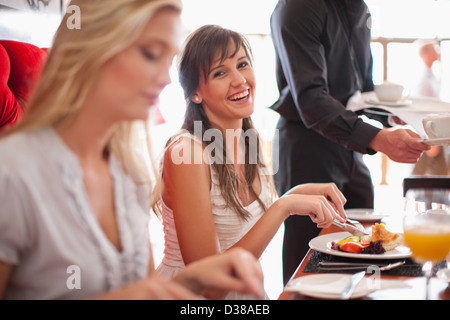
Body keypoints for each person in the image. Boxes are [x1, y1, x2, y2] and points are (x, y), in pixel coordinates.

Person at [0, 0, 265, 300]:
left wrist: (195, 278)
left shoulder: (127, 172)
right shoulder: (14, 173)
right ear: (95, 52)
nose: (165, 78)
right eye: (150, 54)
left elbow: (144, 291)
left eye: (167, 58)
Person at [153, 24, 347, 300]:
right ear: (195, 93)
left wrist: (294, 195)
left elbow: (247, 230)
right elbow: (210, 284)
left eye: (242, 64)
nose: (239, 80)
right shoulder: (186, 152)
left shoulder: (248, 141)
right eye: (220, 73)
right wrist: (284, 206)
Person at [270, 0, 430, 284]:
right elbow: (310, 99)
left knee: (366, 248)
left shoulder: (360, 8)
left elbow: (360, 90)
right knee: (308, 261)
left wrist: (389, 117)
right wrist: (378, 138)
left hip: (350, 144)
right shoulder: (298, 7)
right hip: (306, 145)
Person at [412, 40, 448, 176]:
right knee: (422, 173)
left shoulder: (431, 76)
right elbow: (422, 111)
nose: (437, 52)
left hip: (436, 132)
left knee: (434, 172)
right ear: (426, 54)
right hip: (430, 132)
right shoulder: (423, 79)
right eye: (434, 49)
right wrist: (431, 138)